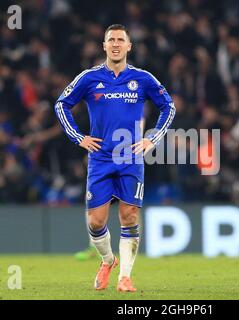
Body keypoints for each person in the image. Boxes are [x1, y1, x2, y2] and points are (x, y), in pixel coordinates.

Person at [54, 24, 176, 292]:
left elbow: (168, 106)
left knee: (129, 215)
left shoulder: (143, 78)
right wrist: (78, 137)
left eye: (121, 39)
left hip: (130, 157)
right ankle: (108, 260)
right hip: (100, 158)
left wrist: (152, 138)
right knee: (96, 222)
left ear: (129, 46)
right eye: (112, 40)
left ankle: (125, 277)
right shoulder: (89, 78)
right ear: (104, 46)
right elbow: (61, 104)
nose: (116, 44)